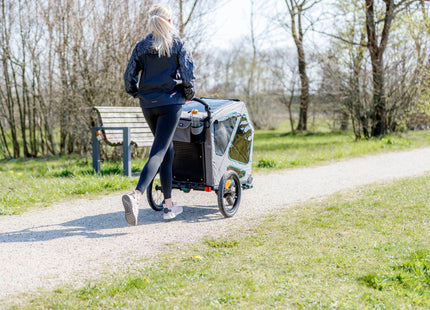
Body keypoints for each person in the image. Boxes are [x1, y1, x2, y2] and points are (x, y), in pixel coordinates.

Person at [122, 3, 195, 225]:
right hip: (170, 103)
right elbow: (188, 74)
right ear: (169, 21)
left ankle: (168, 205)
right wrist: (188, 94)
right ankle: (137, 195)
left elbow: (129, 76)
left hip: (148, 104)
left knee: (167, 150)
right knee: (160, 150)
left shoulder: (141, 46)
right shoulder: (178, 44)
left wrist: (136, 92)